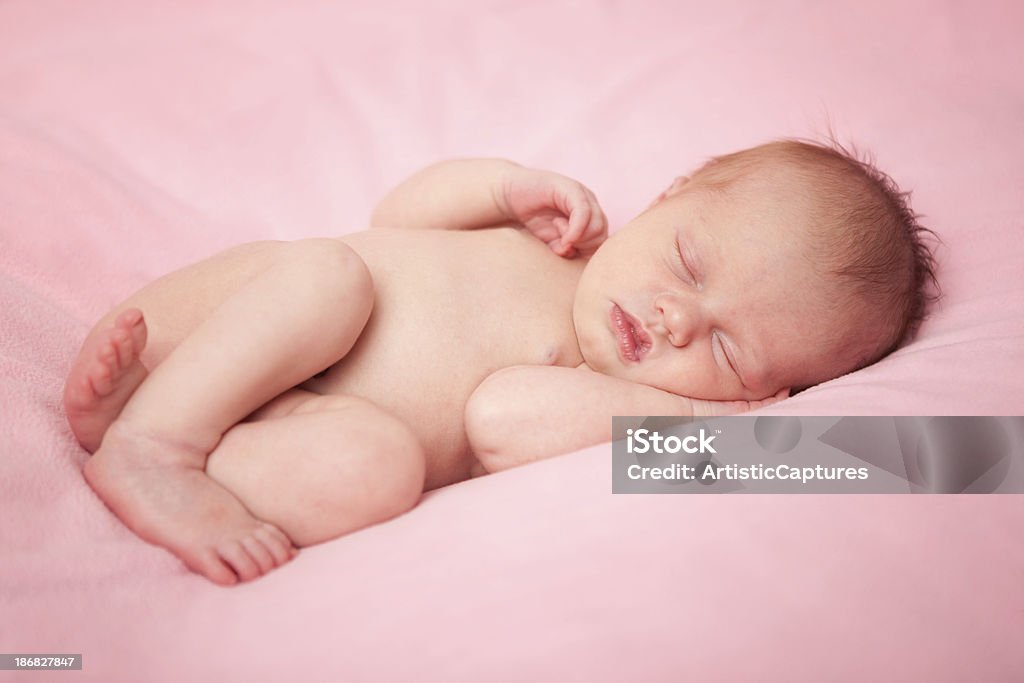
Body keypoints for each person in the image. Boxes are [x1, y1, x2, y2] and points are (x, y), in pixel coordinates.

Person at [62, 139, 937, 585]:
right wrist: (499, 185)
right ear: (668, 195)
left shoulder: (605, 400)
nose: (676, 317)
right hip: (234, 321)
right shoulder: (552, 242)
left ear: (768, 394)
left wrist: (702, 428)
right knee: (332, 276)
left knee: (377, 472)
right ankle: (156, 442)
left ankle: (163, 424)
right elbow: (394, 214)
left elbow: (499, 420)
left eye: (725, 347)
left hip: (281, 416)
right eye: (691, 265)